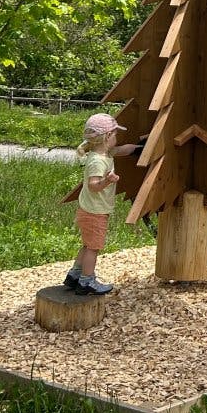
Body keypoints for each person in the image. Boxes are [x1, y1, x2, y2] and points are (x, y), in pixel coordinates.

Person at [64, 112, 125, 296]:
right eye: (115, 135)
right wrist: (108, 181)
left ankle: (75, 274)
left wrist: (141, 146)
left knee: (87, 244)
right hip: (94, 212)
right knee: (93, 247)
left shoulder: (103, 153)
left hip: (90, 210)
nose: (117, 138)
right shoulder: (97, 161)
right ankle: (87, 281)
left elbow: (123, 150)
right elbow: (93, 186)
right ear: (107, 137)